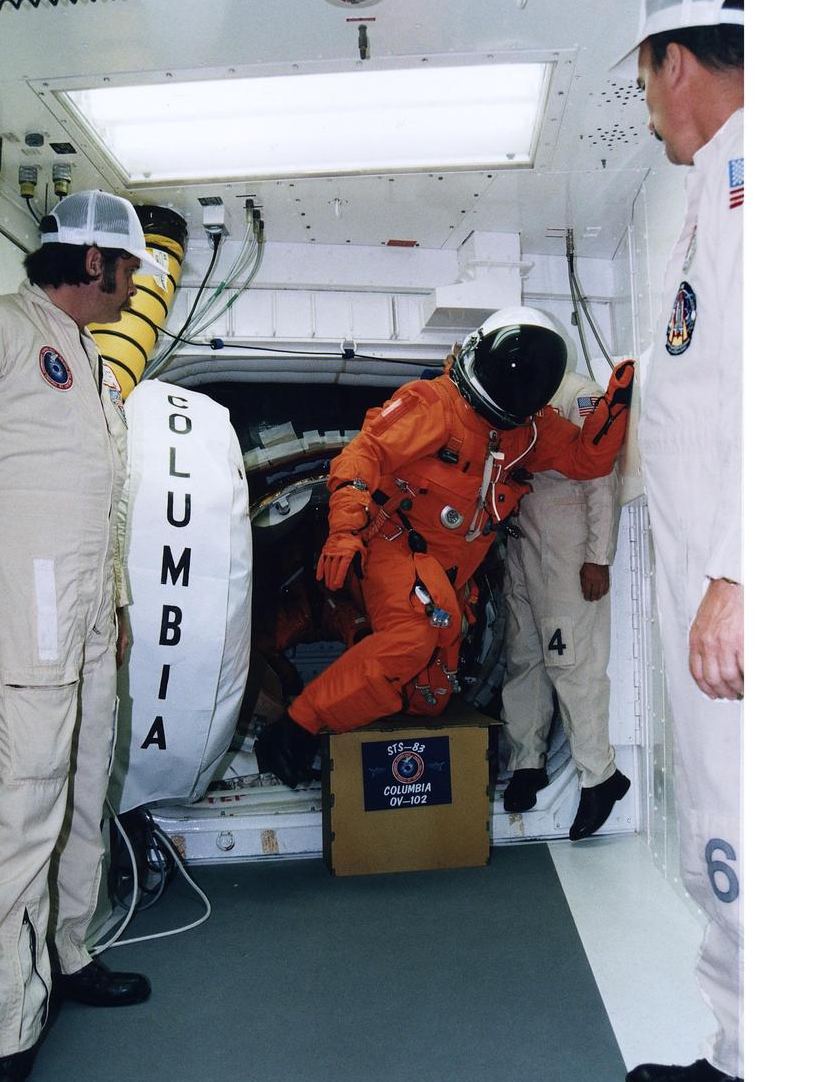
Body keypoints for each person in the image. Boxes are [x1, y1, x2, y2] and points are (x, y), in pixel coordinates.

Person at [0, 190, 163, 1082]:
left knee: (80, 793)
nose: (135, 284)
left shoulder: (99, 371)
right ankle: (11, 1035)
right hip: (16, 617)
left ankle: (71, 955)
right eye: (130, 269)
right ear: (95, 262)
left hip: (83, 623)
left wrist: (111, 598)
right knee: (20, 810)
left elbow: (97, 500)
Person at [257, 307, 635, 787]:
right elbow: (364, 454)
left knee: (429, 697)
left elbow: (584, 459)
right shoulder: (432, 405)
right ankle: (296, 727)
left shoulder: (526, 430)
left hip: (448, 576)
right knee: (412, 640)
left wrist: (615, 408)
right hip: (394, 546)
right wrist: (345, 530)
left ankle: (353, 641)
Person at [613, 0, 745, 1082]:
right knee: (720, 821)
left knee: (751, 827)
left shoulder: (763, 179)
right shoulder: (716, 185)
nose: (648, 102)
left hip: (739, 590)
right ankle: (743, 1048)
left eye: (647, 77)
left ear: (678, 62)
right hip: (709, 580)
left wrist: (742, 572)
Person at [500, 367, 626, 841]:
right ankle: (527, 762)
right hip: (523, 542)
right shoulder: (512, 399)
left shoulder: (580, 396)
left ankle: (601, 777)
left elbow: (601, 478)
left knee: (571, 664)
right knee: (523, 657)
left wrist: (598, 557)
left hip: (568, 551)